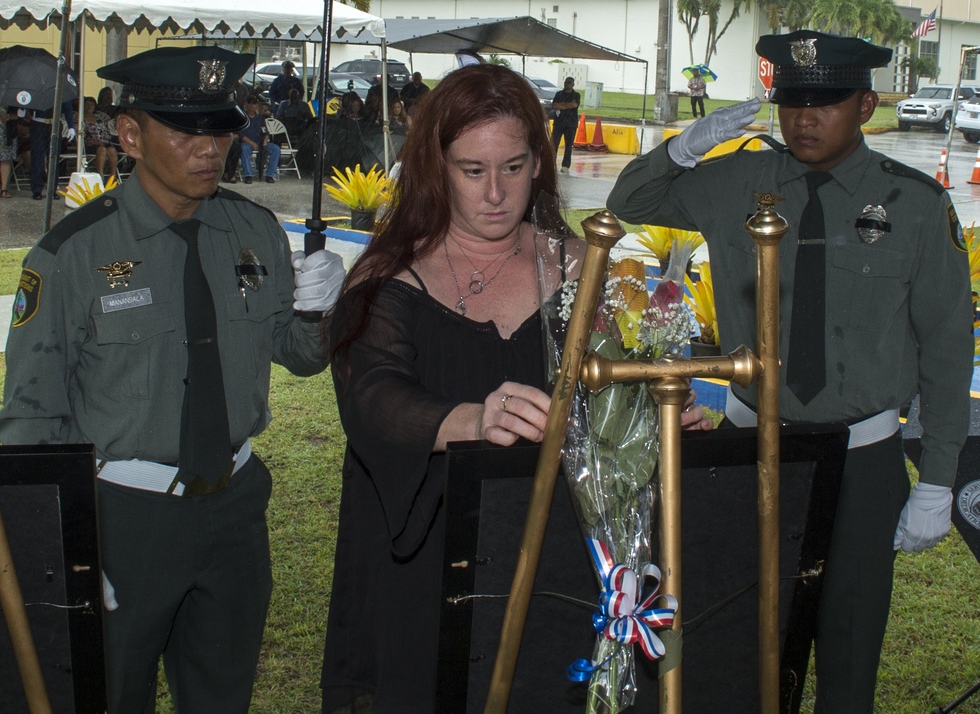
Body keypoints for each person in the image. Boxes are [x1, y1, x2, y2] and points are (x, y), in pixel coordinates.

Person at [319, 62, 711, 712]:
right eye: (472, 171)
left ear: (540, 164)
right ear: (434, 167)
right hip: (424, 572)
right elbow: (373, 402)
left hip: (557, 574)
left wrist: (660, 417)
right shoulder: (388, 276)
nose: (496, 192)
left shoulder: (587, 269)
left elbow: (617, 403)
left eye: (514, 167)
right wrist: (471, 420)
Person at [607, 30, 973, 712]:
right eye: (792, 101)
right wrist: (684, 148)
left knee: (849, 645)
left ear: (866, 105)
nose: (805, 118)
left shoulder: (914, 205)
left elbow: (948, 348)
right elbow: (631, 200)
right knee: (735, 635)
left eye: (827, 101)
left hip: (861, 460)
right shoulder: (734, 182)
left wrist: (940, 479)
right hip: (750, 450)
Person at [0, 45, 346, 713]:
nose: (210, 148)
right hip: (123, 520)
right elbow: (31, 416)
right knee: (110, 695)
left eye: (220, 128)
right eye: (185, 130)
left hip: (234, 510)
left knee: (222, 696)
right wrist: (60, 543)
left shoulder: (251, 230)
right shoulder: (73, 254)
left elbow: (298, 354)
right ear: (131, 134)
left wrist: (321, 309)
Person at [28, 100, 76, 199]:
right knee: (38, 158)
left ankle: (52, 189)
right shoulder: (37, 86)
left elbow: (67, 107)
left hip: (54, 124)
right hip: (38, 123)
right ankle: (37, 189)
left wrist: (71, 126)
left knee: (54, 158)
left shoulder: (61, 87)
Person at [239, 94, 280, 184]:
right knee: (244, 148)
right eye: (249, 103)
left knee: (276, 149)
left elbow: (265, 132)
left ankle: (270, 175)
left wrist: (265, 140)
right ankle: (248, 175)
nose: (251, 106)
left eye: (253, 104)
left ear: (256, 105)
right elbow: (241, 135)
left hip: (260, 141)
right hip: (247, 142)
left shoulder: (261, 118)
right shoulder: (242, 118)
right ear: (246, 105)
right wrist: (252, 143)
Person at [82, 95, 119, 180]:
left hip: (102, 143)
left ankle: (113, 176)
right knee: (102, 150)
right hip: (89, 145)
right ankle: (100, 176)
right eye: (87, 104)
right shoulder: (80, 119)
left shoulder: (98, 119)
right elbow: (82, 135)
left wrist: (105, 141)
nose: (89, 107)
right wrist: (96, 142)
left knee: (112, 150)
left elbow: (105, 132)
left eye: (91, 105)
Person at [550, 76, 580, 173]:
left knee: (568, 145)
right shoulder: (558, 94)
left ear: (573, 85)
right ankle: (551, 164)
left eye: (569, 83)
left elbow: (574, 105)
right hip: (559, 123)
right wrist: (567, 105)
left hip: (570, 124)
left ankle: (565, 165)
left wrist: (562, 105)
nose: (567, 84)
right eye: (566, 82)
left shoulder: (576, 95)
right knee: (554, 144)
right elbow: (554, 106)